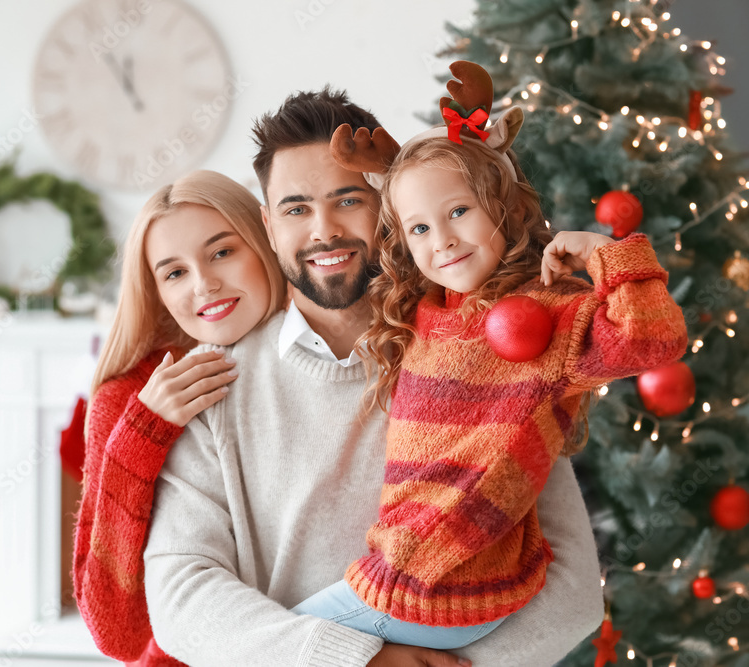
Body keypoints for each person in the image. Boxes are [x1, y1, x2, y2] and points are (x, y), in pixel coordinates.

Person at [143, 86, 609, 667]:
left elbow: (574, 589)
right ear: (267, 223)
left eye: (346, 200)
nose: (323, 230)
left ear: (387, 206)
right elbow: (180, 593)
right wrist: (357, 660)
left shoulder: (484, 351)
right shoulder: (213, 385)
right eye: (296, 209)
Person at [288, 63, 689, 649]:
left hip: (446, 582)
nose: (442, 240)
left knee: (282, 648)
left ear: (501, 203)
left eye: (458, 212)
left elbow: (655, 339)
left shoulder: (545, 313)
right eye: (419, 228)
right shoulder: (426, 313)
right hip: (413, 575)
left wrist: (606, 254)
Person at [71, 170, 287, 665]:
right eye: (174, 273)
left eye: (222, 252)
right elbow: (117, 634)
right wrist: (140, 436)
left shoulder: (329, 346)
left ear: (266, 241)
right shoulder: (128, 397)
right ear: (157, 292)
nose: (204, 284)